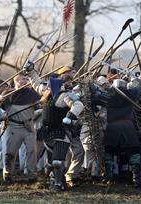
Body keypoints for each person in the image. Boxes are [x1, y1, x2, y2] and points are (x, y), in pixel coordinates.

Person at [25, 62, 84, 191]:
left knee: (58, 161)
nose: (47, 86)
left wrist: (69, 117)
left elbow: (78, 105)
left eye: (50, 85)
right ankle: (54, 180)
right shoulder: (47, 93)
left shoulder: (64, 96)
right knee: (50, 161)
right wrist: (31, 72)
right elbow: (37, 84)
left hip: (61, 132)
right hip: (47, 131)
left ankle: (58, 183)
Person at [0, 74, 39, 183]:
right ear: (16, 80)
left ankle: (32, 175)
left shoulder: (32, 93)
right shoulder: (8, 94)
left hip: (28, 127)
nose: (26, 81)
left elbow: (40, 106)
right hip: (13, 127)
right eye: (23, 79)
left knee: (32, 150)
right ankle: (8, 174)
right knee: (10, 153)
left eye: (27, 79)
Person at [103, 78, 141, 187]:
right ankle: (136, 179)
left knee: (109, 153)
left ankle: (109, 178)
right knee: (133, 152)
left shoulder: (107, 96)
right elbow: (140, 86)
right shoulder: (131, 94)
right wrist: (133, 79)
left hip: (112, 127)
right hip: (127, 126)